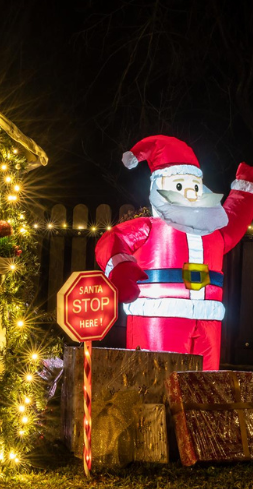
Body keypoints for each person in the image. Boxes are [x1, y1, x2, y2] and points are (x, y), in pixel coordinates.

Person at [95, 135, 253, 369]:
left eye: (195, 187)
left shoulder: (213, 233)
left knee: (203, 383)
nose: (190, 193)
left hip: (207, 320)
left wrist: (246, 187)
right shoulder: (150, 227)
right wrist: (121, 269)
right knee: (157, 378)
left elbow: (235, 219)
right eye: (180, 185)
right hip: (159, 320)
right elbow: (114, 239)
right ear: (160, 186)